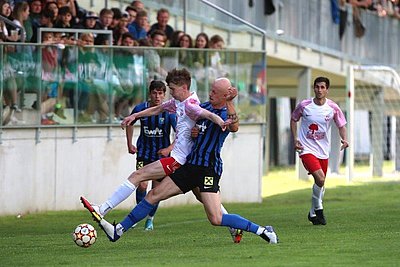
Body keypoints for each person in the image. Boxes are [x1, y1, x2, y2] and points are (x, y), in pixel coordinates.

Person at [82, 77, 278, 244]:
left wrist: (230, 103)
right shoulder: (205, 106)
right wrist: (194, 133)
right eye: (210, 90)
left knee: (216, 218)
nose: (210, 93)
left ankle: (263, 231)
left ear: (225, 94)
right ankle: (118, 231)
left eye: (215, 92)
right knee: (153, 195)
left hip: (208, 169)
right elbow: (193, 122)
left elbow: (234, 127)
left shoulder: (226, 111)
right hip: (191, 165)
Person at [290, 76, 349, 225]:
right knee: (320, 179)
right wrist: (295, 138)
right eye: (317, 87)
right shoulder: (304, 105)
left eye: (322, 87)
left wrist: (344, 139)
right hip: (306, 148)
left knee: (321, 184)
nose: (319, 90)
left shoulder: (333, 108)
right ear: (314, 88)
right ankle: (319, 209)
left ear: (327, 90)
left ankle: (312, 213)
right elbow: (293, 119)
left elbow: (341, 125)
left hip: (323, 150)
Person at [125, 80, 176, 230]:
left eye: (160, 93)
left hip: (162, 156)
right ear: (150, 93)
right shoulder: (141, 108)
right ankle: (137, 217)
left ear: (164, 95)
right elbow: (130, 123)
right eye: (155, 93)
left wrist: (169, 148)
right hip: (144, 152)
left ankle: (150, 218)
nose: (157, 96)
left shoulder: (169, 112)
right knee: (141, 185)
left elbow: (180, 134)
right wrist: (129, 144)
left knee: (156, 190)